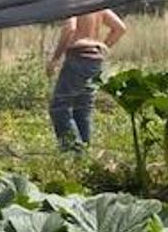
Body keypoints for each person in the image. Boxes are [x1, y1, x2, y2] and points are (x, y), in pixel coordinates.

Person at [46, 8, 127, 152]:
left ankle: (74, 152)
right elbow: (119, 28)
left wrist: (55, 58)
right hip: (95, 61)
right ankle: (84, 152)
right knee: (82, 108)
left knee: (59, 107)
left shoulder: (75, 1)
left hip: (78, 56)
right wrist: (102, 47)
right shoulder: (98, 4)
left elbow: (70, 28)